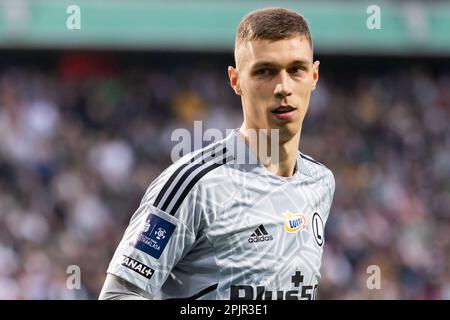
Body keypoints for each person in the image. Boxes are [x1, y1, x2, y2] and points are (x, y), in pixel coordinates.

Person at [99, 7, 335, 300]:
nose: (282, 87)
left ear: (314, 76)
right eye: (265, 71)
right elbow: (117, 295)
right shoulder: (195, 184)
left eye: (296, 69)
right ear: (236, 81)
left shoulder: (320, 182)